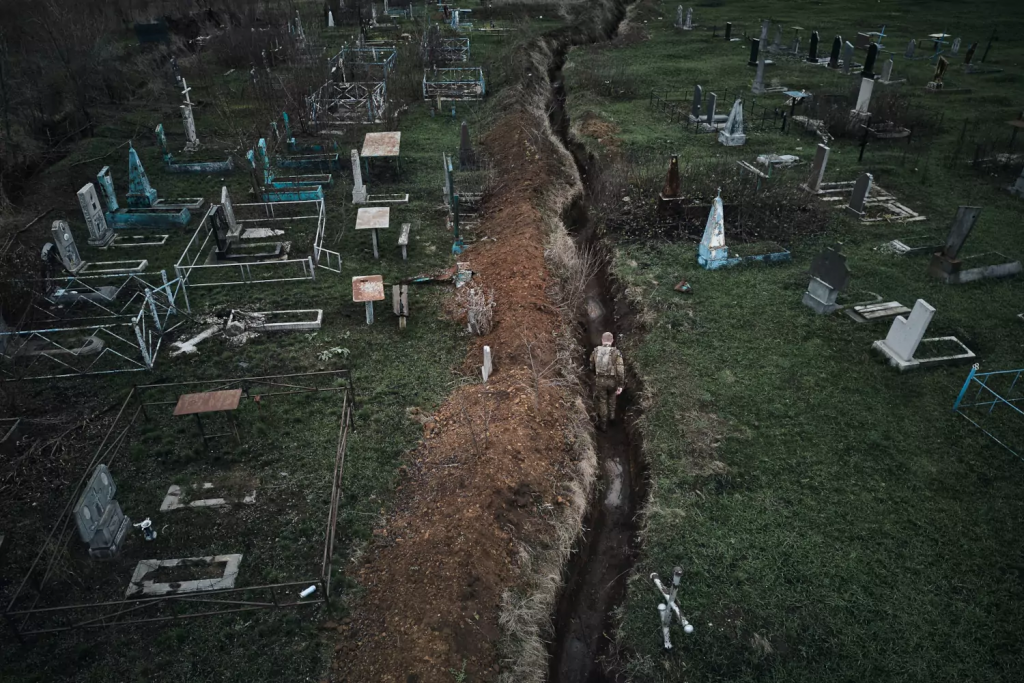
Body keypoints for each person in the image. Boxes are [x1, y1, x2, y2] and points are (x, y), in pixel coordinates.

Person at [590, 331, 624, 431]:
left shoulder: (595, 351)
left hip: (600, 380)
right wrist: (621, 384)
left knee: (602, 400)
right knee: (612, 396)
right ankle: (612, 416)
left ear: (602, 340)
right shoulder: (616, 353)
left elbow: (591, 365)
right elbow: (620, 370)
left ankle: (603, 424)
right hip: (612, 380)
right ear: (612, 341)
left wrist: (594, 373)